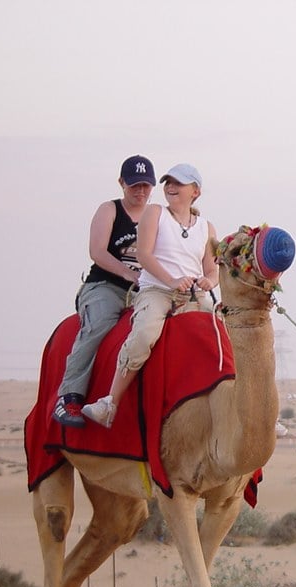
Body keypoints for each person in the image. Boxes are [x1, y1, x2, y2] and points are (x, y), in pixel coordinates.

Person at [81, 163, 218, 428]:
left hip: (192, 295)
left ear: (196, 191)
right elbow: (144, 254)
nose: (171, 187)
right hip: (157, 290)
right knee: (144, 334)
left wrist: (207, 280)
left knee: (225, 337)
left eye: (179, 183)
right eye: (169, 183)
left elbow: (212, 270)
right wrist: (171, 280)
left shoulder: (206, 227)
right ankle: (110, 402)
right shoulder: (156, 213)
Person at [52, 155, 156, 428]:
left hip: (147, 289)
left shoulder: (156, 216)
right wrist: (128, 273)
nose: (141, 191)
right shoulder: (110, 210)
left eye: (146, 185)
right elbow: (97, 251)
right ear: (122, 183)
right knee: (99, 324)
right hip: (107, 285)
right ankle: (68, 396)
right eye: (135, 185)